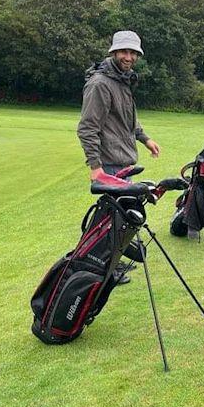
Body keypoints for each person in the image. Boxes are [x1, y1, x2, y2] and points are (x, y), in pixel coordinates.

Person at [77, 30, 161, 283]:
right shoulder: (101, 84)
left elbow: (128, 120)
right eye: (124, 51)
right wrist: (95, 167)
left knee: (118, 220)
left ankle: (112, 264)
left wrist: (146, 139)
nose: (129, 56)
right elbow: (87, 128)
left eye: (133, 52)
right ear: (113, 52)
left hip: (124, 162)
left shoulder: (122, 81)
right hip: (109, 165)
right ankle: (101, 270)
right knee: (109, 222)